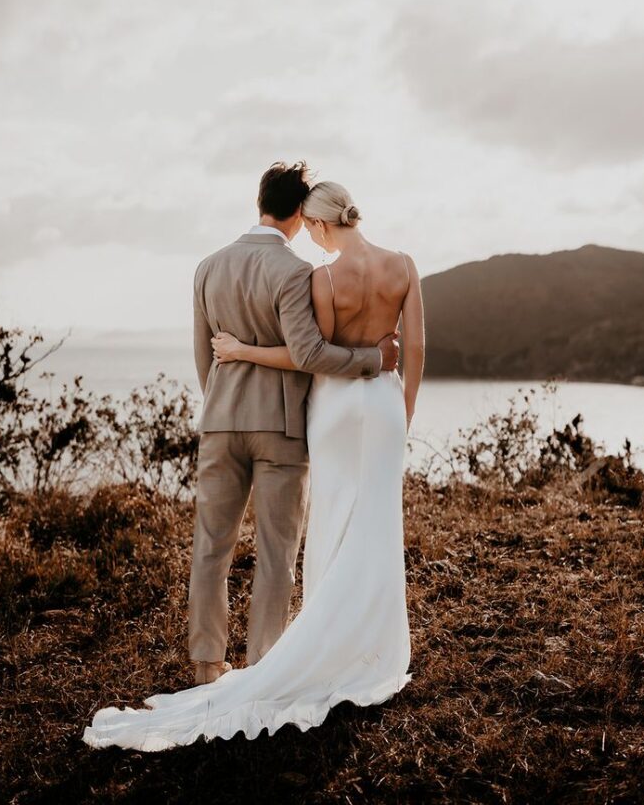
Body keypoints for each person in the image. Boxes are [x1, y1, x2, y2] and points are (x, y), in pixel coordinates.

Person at [82, 172, 424, 751]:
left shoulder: (211, 267)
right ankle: (268, 659)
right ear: (299, 216)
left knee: (212, 547)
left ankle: (206, 665)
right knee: (281, 550)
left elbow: (207, 353)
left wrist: (223, 396)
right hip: (303, 426)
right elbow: (341, 351)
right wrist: (388, 387)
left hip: (228, 422)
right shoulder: (307, 272)